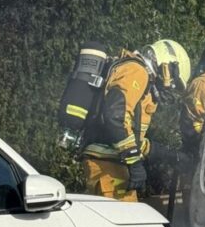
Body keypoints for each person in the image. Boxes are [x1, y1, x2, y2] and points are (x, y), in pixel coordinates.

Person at [81, 39, 190, 202]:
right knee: (123, 223)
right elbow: (115, 116)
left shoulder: (138, 73)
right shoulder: (137, 71)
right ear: (166, 65)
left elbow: (133, 138)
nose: (170, 86)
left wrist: (170, 155)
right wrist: (134, 162)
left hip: (110, 163)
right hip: (108, 167)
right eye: (174, 80)